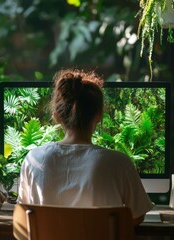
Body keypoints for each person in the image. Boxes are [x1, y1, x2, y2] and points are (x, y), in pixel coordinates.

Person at [17, 69, 154, 225]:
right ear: (99, 115)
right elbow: (137, 217)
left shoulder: (33, 160)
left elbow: (23, 217)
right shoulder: (119, 163)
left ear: (57, 116)